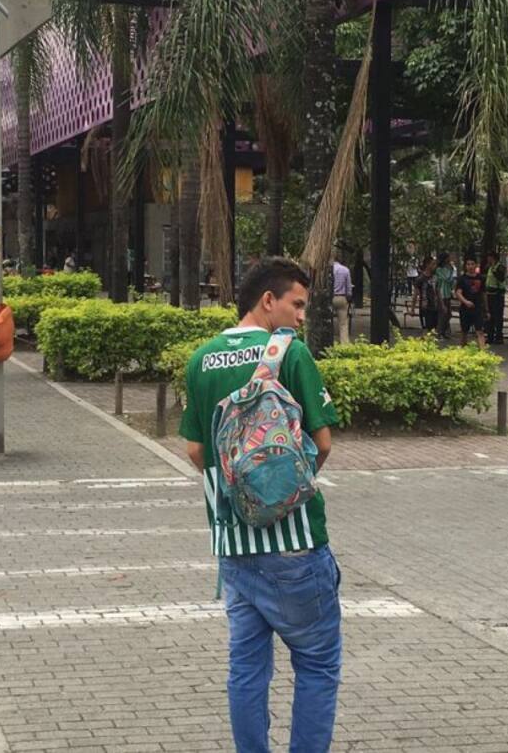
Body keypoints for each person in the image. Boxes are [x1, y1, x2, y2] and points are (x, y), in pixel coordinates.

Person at [179, 257, 341, 752]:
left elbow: (194, 449)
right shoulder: (290, 353)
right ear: (267, 300)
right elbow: (323, 441)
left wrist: (238, 489)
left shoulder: (202, 359)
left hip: (233, 543)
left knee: (246, 668)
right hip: (295, 543)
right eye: (297, 304)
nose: (301, 317)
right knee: (317, 663)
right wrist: (283, 489)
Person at [454, 256, 487, 349]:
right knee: (464, 332)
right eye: (468, 264)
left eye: (472, 264)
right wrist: (465, 302)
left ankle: (483, 352)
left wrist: (486, 308)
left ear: (476, 265)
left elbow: (484, 294)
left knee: (480, 331)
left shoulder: (481, 278)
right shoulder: (462, 279)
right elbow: (458, 293)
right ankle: (462, 350)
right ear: (465, 266)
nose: (470, 266)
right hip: (465, 309)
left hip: (478, 308)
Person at [485, 251, 507, 344]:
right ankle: (490, 336)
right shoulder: (489, 267)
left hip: (498, 294)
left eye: (489, 257)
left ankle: (499, 337)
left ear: (493, 257)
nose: (488, 259)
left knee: (498, 316)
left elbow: (501, 278)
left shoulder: (500, 267)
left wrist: (494, 270)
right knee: (490, 316)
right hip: (490, 294)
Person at [434, 252, 456, 339]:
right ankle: (439, 333)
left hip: (447, 293)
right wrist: (451, 272)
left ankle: (444, 331)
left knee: (448, 314)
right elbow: (446, 278)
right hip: (441, 293)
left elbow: (451, 281)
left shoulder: (449, 269)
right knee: (442, 313)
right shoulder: (439, 270)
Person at [331, 256, 352, 345]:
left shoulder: (328, 270)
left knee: (329, 321)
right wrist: (348, 298)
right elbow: (348, 287)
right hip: (342, 297)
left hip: (330, 298)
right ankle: (344, 344)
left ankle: (330, 342)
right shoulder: (345, 270)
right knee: (343, 323)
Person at [414, 256, 438, 331]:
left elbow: (437, 291)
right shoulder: (420, 278)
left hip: (435, 306)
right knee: (426, 329)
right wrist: (412, 308)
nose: (435, 266)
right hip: (425, 307)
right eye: (433, 264)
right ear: (427, 264)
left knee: (434, 329)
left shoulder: (435, 277)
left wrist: (441, 305)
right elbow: (415, 294)